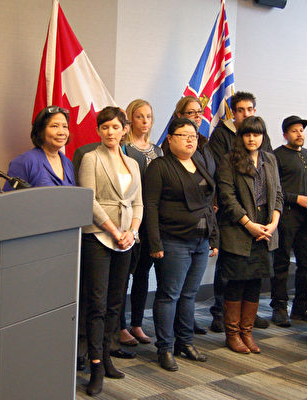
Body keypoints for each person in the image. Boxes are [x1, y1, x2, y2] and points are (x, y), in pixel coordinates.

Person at [78, 106, 142, 396]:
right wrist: (115, 232)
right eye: (104, 127)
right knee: (97, 304)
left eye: (115, 127)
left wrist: (132, 233)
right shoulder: (91, 158)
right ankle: (95, 366)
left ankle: (106, 356)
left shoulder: (133, 163)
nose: (110, 132)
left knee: (116, 303)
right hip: (99, 237)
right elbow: (89, 201)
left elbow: (138, 203)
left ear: (124, 129)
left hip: (126, 240)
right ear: (98, 131)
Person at [145, 117, 218, 371]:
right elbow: (151, 206)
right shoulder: (160, 166)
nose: (190, 140)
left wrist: (213, 237)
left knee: (189, 295)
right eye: (184, 135)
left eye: (193, 136)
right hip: (173, 240)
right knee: (169, 295)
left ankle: (185, 342)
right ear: (170, 138)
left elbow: (208, 204)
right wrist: (155, 242)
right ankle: (165, 347)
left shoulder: (199, 162)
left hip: (201, 240)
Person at [217, 116, 283, 354]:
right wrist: (249, 225)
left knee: (255, 283)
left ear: (263, 136)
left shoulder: (270, 160)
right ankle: (232, 334)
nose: (252, 139)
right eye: (247, 134)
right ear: (241, 137)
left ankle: (247, 332)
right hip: (239, 231)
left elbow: (278, 194)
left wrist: (273, 223)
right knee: (237, 283)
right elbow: (227, 198)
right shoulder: (229, 160)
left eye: (256, 134)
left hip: (265, 231)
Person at [208, 91, 272, 332]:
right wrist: (247, 221)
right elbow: (223, 182)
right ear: (233, 113)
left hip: (261, 222)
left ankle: (247, 322)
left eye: (250, 109)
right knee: (230, 272)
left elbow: (272, 184)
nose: (246, 114)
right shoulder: (221, 136)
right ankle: (220, 314)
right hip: (234, 217)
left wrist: (272, 221)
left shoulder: (265, 145)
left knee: (254, 276)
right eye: (241, 110)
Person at [271, 116, 307, 327]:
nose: (299, 134)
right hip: (287, 216)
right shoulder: (276, 156)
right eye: (294, 131)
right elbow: (274, 189)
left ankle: (301, 307)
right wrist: (298, 198)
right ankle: (279, 307)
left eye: (301, 130)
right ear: (285, 134)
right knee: (281, 263)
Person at [118, 99, 163, 346]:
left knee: (143, 273)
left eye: (149, 116)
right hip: (129, 219)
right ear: (130, 119)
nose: (145, 121)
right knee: (123, 274)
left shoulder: (159, 150)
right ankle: (120, 326)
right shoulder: (124, 148)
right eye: (139, 116)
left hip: (150, 220)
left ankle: (136, 323)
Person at [4, 106, 74, 189]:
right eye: (55, 126)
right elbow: (11, 196)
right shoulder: (24, 162)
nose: (61, 132)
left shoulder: (68, 163)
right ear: (41, 130)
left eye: (65, 127)